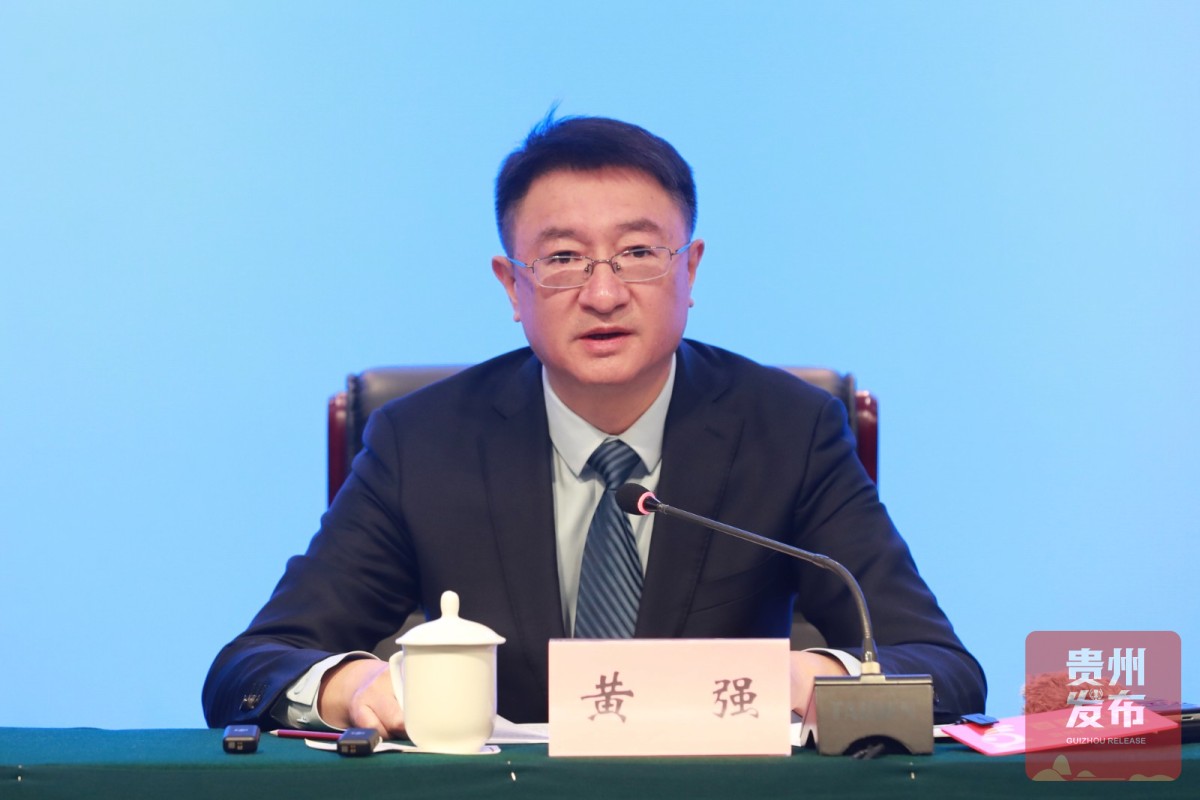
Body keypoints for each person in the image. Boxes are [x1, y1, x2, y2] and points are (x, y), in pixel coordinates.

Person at [203, 114, 986, 736]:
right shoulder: (422, 444)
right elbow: (251, 667)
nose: (604, 294)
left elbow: (942, 670)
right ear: (511, 286)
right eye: (564, 259)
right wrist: (349, 687)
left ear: (690, 270)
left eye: (638, 252)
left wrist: (810, 678)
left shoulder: (788, 430)